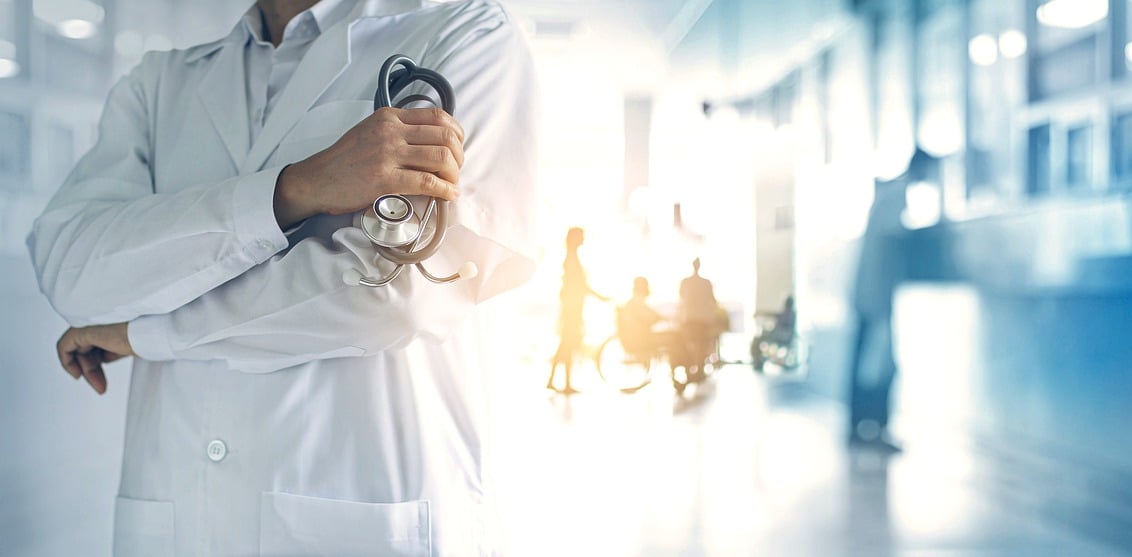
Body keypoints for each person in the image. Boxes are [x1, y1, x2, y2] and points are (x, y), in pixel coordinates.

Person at [27, 1, 538, 555]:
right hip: (176, 519)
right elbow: (71, 269)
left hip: (364, 515)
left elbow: (397, 294)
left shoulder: (466, 32)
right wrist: (294, 190)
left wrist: (144, 333)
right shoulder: (160, 82)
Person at [848, 147, 937, 453]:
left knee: (866, 362)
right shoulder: (897, 195)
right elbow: (895, 236)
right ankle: (873, 429)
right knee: (878, 365)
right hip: (876, 295)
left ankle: (862, 429)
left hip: (869, 292)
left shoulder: (888, 192)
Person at [547, 227, 606, 394]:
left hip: (571, 309)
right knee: (568, 345)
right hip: (572, 311)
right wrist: (600, 297)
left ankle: (554, 380)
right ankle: (564, 383)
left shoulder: (571, 258)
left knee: (565, 346)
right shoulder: (571, 259)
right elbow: (579, 286)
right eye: (582, 236)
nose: (584, 239)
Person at [676, 258, 720, 379]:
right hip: (703, 319)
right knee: (701, 344)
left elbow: (681, 298)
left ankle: (691, 367)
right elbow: (712, 300)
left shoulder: (685, 282)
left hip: (689, 318)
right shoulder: (706, 283)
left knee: (691, 343)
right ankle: (699, 369)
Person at [617, 276, 663, 358]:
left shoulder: (632, 303)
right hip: (641, 339)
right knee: (674, 339)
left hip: (635, 338)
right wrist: (660, 318)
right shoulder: (637, 303)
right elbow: (650, 316)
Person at [751, 295, 796, 371]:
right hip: (781, 336)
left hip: (780, 336)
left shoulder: (788, 314)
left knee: (758, 339)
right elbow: (775, 315)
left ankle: (757, 360)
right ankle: (758, 360)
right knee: (761, 337)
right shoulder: (790, 314)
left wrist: (760, 313)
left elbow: (775, 316)